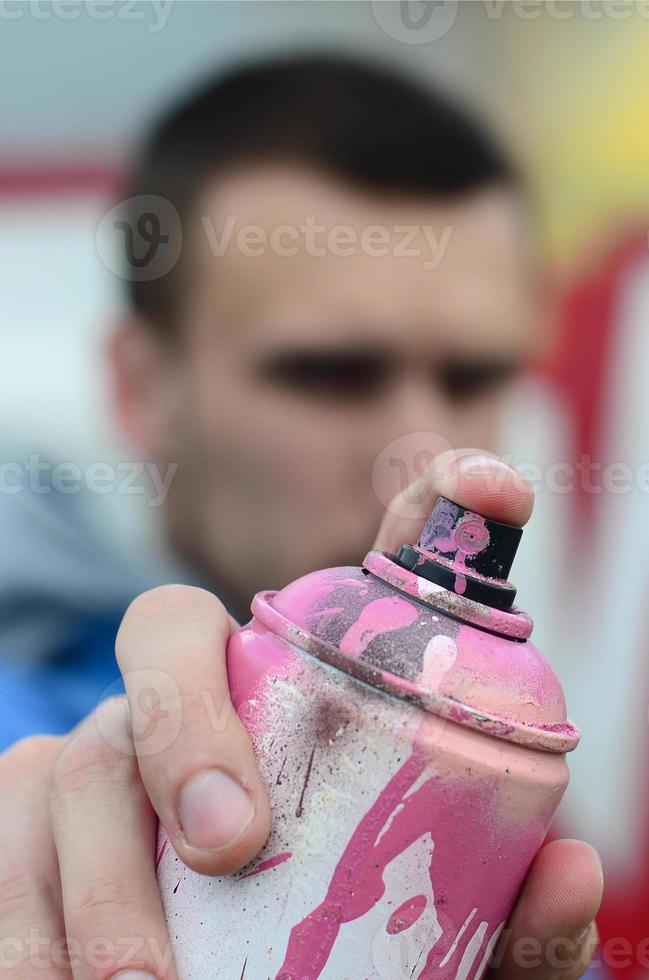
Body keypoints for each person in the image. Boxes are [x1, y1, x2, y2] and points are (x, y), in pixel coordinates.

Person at [0, 55, 602, 977]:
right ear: (139, 388)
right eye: (328, 374)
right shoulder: (28, 761)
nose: (421, 452)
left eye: (474, 376)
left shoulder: (505, 825)